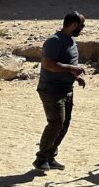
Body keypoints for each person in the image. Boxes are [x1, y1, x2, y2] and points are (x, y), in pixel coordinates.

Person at [34, 11, 87, 172]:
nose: (83, 28)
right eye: (82, 25)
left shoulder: (70, 41)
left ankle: (50, 157)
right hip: (51, 90)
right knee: (56, 123)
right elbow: (49, 64)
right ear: (73, 25)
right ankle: (40, 159)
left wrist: (76, 77)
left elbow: (66, 63)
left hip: (66, 89)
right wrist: (73, 68)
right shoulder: (54, 41)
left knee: (63, 125)